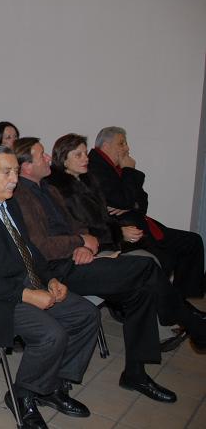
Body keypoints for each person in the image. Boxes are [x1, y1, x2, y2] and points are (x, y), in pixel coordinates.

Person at [14, 137, 181, 402]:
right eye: (42, 155)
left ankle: (135, 373)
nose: (48, 158)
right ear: (26, 167)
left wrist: (85, 242)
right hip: (56, 269)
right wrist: (79, 242)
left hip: (75, 259)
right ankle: (187, 320)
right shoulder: (22, 196)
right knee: (146, 267)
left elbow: (77, 225)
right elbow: (41, 247)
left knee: (140, 291)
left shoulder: (49, 189)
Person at [0, 146, 98, 427]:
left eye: (16, 171)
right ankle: (22, 395)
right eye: (6, 172)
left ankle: (52, 386)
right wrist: (27, 294)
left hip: (25, 282)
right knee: (51, 334)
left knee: (87, 315)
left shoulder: (10, 203)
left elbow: (29, 249)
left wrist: (50, 279)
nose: (15, 179)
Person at [45, 134, 206, 356]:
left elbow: (121, 209)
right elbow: (83, 228)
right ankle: (187, 321)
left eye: (85, 152)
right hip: (87, 252)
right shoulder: (59, 188)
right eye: (78, 154)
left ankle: (176, 323)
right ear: (63, 159)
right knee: (148, 264)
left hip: (104, 242)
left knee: (157, 259)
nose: (85, 158)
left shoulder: (86, 180)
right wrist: (118, 231)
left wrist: (118, 226)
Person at [88, 126, 205, 298]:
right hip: (122, 231)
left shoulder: (114, 167)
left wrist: (131, 204)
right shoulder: (96, 168)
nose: (127, 148)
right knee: (167, 258)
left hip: (140, 222)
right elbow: (123, 200)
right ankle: (168, 303)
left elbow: (142, 202)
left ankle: (184, 300)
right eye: (121, 143)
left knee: (192, 242)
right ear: (106, 146)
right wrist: (129, 171)